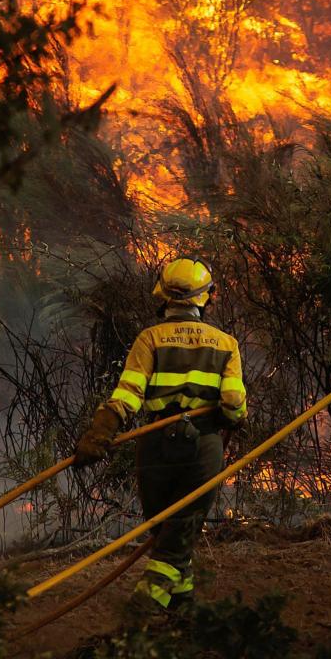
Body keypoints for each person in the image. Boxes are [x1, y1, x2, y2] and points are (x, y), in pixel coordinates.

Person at [73, 257, 246, 613]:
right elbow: (233, 403)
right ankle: (146, 603)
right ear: (208, 298)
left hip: (155, 443)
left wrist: (101, 431)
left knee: (164, 527)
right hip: (202, 445)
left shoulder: (149, 338)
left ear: (163, 296)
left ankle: (181, 604)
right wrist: (236, 418)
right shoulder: (225, 344)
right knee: (179, 529)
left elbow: (128, 394)